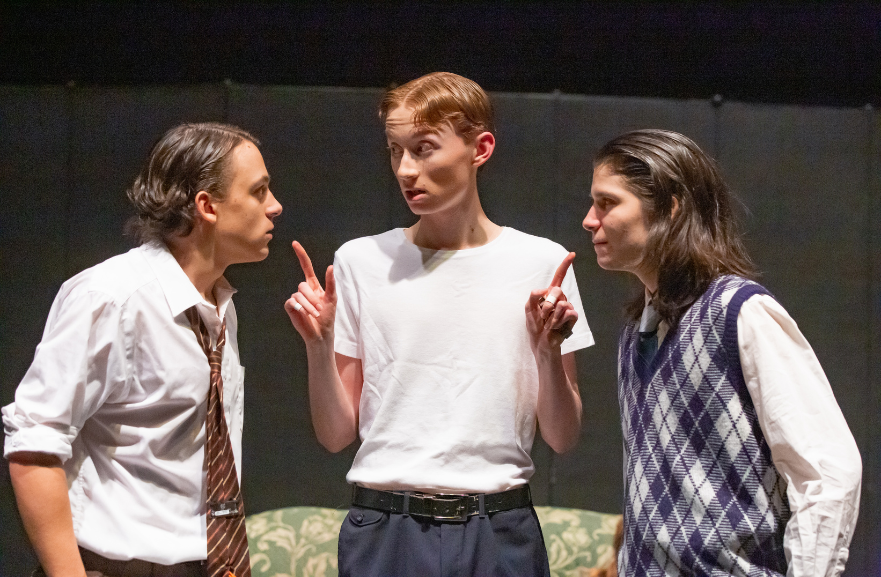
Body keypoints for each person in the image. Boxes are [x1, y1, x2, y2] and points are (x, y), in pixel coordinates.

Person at [285, 72, 594, 576]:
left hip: (499, 527)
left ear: (481, 148)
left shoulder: (542, 262)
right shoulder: (361, 261)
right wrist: (318, 347)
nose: (406, 169)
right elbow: (337, 433)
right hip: (386, 527)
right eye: (395, 150)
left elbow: (562, 435)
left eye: (424, 148)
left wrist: (544, 351)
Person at [4, 122, 283, 577]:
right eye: (258, 191)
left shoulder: (218, 306)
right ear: (207, 206)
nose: (274, 207)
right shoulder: (111, 297)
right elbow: (33, 443)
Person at [582, 129, 862, 576]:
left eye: (608, 203)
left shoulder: (742, 312)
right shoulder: (636, 333)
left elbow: (825, 472)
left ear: (670, 208)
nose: (589, 220)